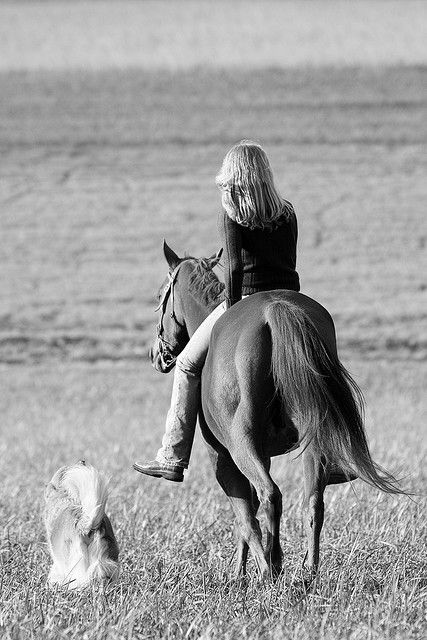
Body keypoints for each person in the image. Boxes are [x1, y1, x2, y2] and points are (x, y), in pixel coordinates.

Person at [134, 140, 300, 482]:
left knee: (186, 364)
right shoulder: (288, 212)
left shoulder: (232, 216)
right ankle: (334, 447)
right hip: (289, 299)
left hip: (244, 299)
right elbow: (289, 264)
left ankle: (172, 455)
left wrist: (234, 317)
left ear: (234, 179)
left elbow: (236, 269)